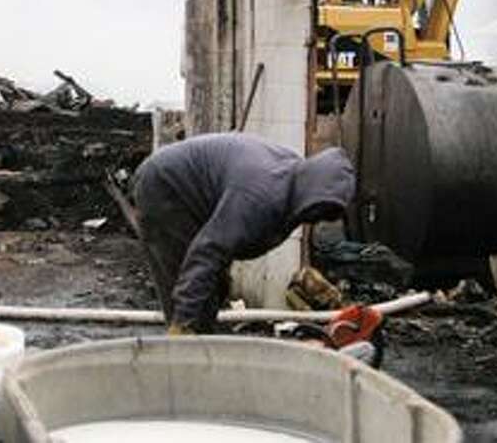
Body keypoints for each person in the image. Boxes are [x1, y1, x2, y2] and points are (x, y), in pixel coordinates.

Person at [131, 132, 356, 334]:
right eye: (318, 211)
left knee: (213, 290)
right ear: (309, 195)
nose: (316, 220)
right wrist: (183, 325)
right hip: (165, 185)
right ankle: (183, 353)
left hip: (196, 193)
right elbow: (206, 253)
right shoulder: (259, 198)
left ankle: (204, 347)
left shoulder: (291, 178)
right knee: (188, 292)